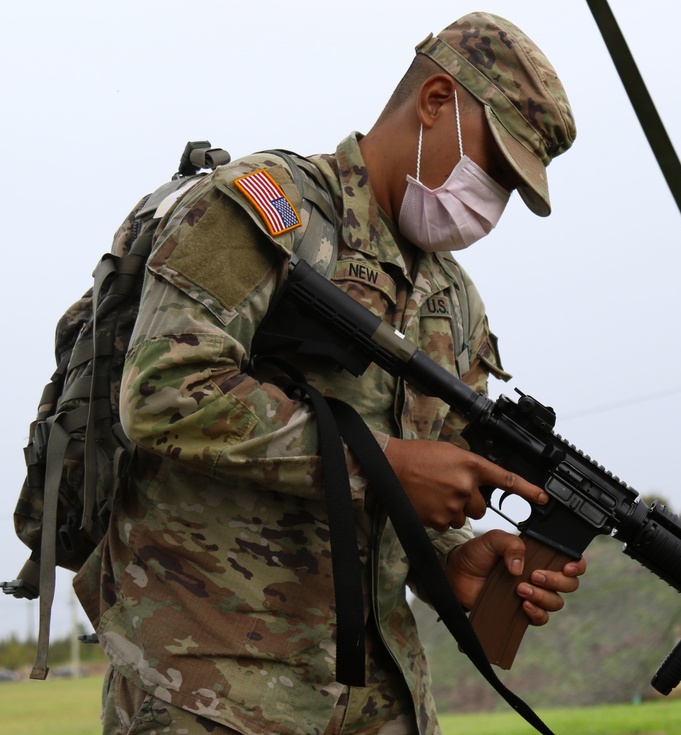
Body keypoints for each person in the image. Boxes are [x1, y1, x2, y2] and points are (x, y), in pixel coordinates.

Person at [72, 11, 583, 735]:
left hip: (382, 697)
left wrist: (453, 558)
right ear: (435, 101)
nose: (489, 205)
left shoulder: (456, 303)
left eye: (508, 191)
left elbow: (425, 481)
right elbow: (161, 392)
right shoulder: (267, 210)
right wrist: (383, 467)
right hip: (212, 689)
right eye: (492, 169)